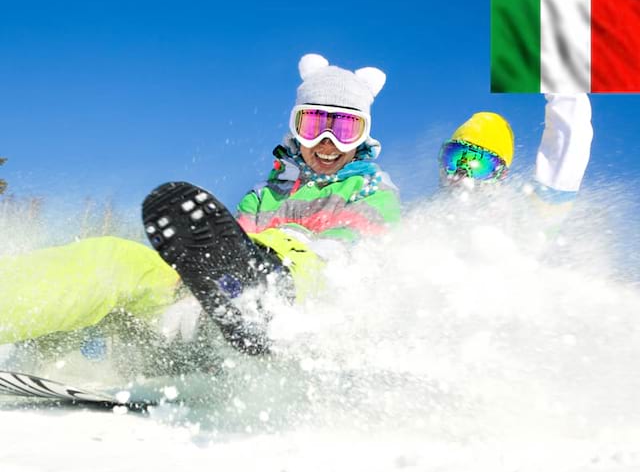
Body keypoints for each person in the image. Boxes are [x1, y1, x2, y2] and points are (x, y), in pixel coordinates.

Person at [0, 53, 401, 367]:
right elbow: (214, 250)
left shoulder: (372, 191)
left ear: (363, 135)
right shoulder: (262, 197)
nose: (328, 141)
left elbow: (355, 261)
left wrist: (267, 261)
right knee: (114, 259)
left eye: (345, 129)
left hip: (294, 324)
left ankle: (256, 289)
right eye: (314, 125)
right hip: (197, 322)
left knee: (294, 246)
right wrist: (193, 285)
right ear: (295, 128)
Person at [436, 94, 593, 230]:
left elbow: (571, 136)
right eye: (454, 159)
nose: (463, 174)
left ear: (500, 175)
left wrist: (558, 76)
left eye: (480, 166)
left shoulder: (532, 217)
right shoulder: (426, 221)